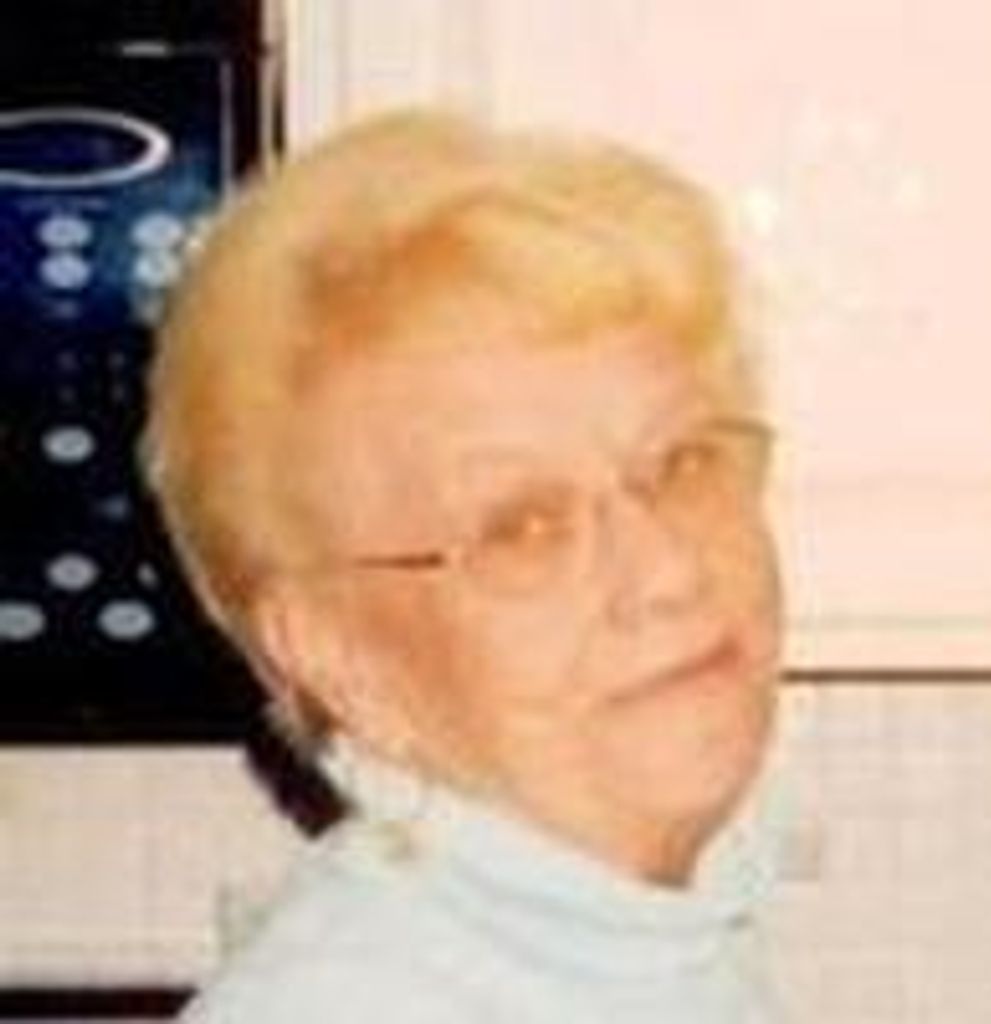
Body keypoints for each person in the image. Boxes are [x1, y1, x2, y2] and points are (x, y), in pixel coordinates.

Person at [142, 108, 784, 1023]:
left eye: (683, 461)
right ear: (340, 657)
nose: (668, 570)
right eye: (525, 526)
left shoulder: (642, 932)